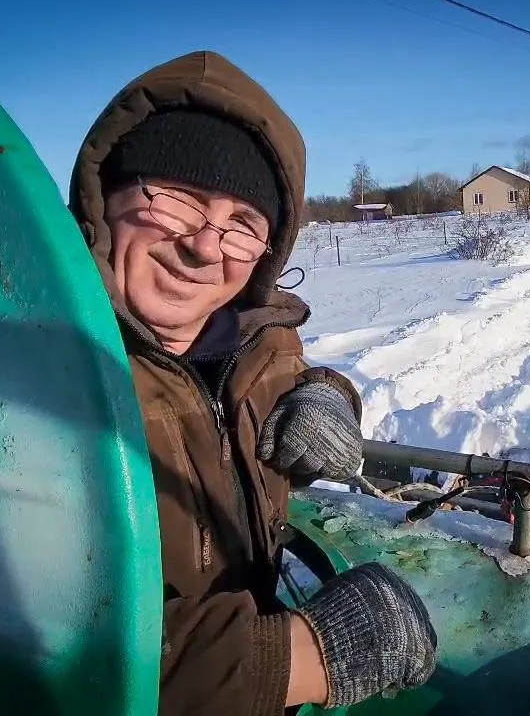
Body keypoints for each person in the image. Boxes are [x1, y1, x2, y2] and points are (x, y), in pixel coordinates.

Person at [67, 51, 438, 714]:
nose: (204, 247)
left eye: (242, 224)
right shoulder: (34, 377)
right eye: (176, 200)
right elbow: (27, 647)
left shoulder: (249, 336)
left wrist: (326, 397)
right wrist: (298, 657)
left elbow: (287, 376)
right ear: (105, 201)